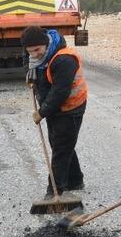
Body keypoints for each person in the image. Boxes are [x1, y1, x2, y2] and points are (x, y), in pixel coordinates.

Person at [22, 26, 87, 197]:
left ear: (45, 44)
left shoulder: (64, 59)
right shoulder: (37, 56)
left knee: (61, 147)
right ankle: (75, 180)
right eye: (30, 51)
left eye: (37, 50)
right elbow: (31, 66)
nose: (34, 54)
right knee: (61, 144)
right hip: (54, 108)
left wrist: (42, 112)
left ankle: (54, 191)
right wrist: (31, 77)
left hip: (70, 107)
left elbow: (60, 92)